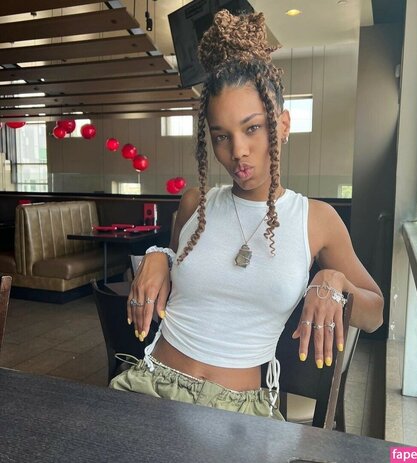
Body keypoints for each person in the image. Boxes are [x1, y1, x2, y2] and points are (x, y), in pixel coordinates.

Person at [110, 9, 383, 420]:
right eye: (221, 136)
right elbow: (178, 268)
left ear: (283, 125)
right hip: (150, 386)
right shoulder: (194, 203)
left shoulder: (317, 219)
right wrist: (159, 256)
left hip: (238, 412)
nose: (237, 151)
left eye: (252, 128)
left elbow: (375, 313)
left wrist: (335, 281)